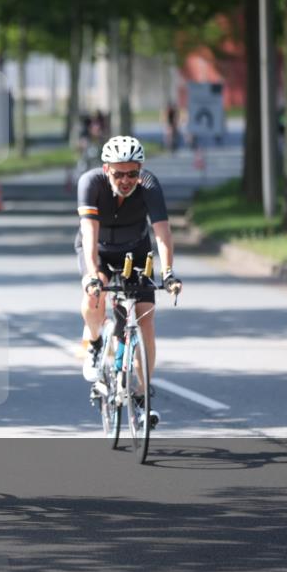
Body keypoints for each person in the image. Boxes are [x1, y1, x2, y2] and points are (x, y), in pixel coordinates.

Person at [75, 136, 183, 427]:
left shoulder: (149, 185)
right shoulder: (90, 183)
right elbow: (89, 232)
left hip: (135, 251)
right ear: (105, 168)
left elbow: (161, 232)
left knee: (145, 318)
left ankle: (141, 396)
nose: (125, 180)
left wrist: (169, 272)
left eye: (132, 173)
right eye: (118, 173)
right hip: (97, 248)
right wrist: (91, 275)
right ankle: (96, 343)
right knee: (94, 293)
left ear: (141, 170)